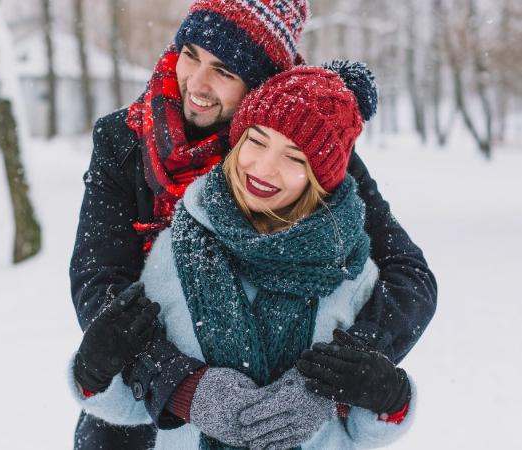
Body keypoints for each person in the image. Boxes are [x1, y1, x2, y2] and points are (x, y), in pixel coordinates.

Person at [69, 0, 436, 448]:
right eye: (190, 55)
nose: (197, 85)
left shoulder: (308, 141)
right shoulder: (124, 138)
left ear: (260, 84)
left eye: (224, 71)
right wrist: (177, 383)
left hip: (289, 404)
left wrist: (334, 376)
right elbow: (100, 280)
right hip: (144, 399)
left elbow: (409, 279)